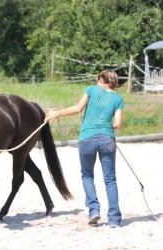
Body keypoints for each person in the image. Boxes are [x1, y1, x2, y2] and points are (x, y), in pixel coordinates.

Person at [45, 70, 124, 228]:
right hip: (107, 139)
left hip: (87, 139)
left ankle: (94, 210)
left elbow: (78, 109)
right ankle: (114, 219)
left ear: (101, 79)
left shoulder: (91, 90)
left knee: (87, 175)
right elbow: (117, 124)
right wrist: (104, 126)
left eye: (97, 79)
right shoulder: (118, 99)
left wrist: (57, 113)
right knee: (110, 179)